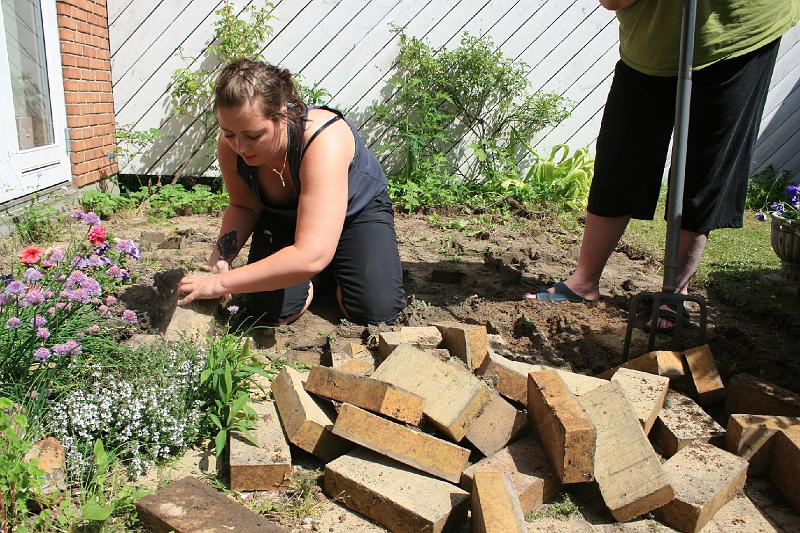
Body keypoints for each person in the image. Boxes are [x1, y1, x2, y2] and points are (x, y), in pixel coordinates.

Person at [529, 0, 800, 332]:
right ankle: (584, 281)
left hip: (738, 31)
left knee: (705, 166)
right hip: (652, 43)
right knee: (621, 155)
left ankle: (675, 292)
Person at [176, 59, 406, 325]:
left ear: (282, 114)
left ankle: (334, 264)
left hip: (354, 216)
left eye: (253, 135)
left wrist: (220, 284)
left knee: (375, 312)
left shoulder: (323, 139)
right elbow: (244, 206)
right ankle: (309, 272)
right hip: (285, 221)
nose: (240, 146)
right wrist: (220, 259)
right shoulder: (232, 146)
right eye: (229, 134)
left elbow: (311, 255)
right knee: (269, 312)